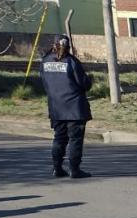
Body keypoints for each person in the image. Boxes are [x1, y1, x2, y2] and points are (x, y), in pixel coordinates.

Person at [40, 35, 92, 178]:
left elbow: (44, 82)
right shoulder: (72, 62)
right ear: (68, 47)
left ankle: (57, 168)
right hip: (74, 108)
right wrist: (89, 80)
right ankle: (74, 169)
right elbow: (84, 83)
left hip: (56, 107)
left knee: (59, 138)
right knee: (75, 139)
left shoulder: (45, 61)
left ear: (54, 44)